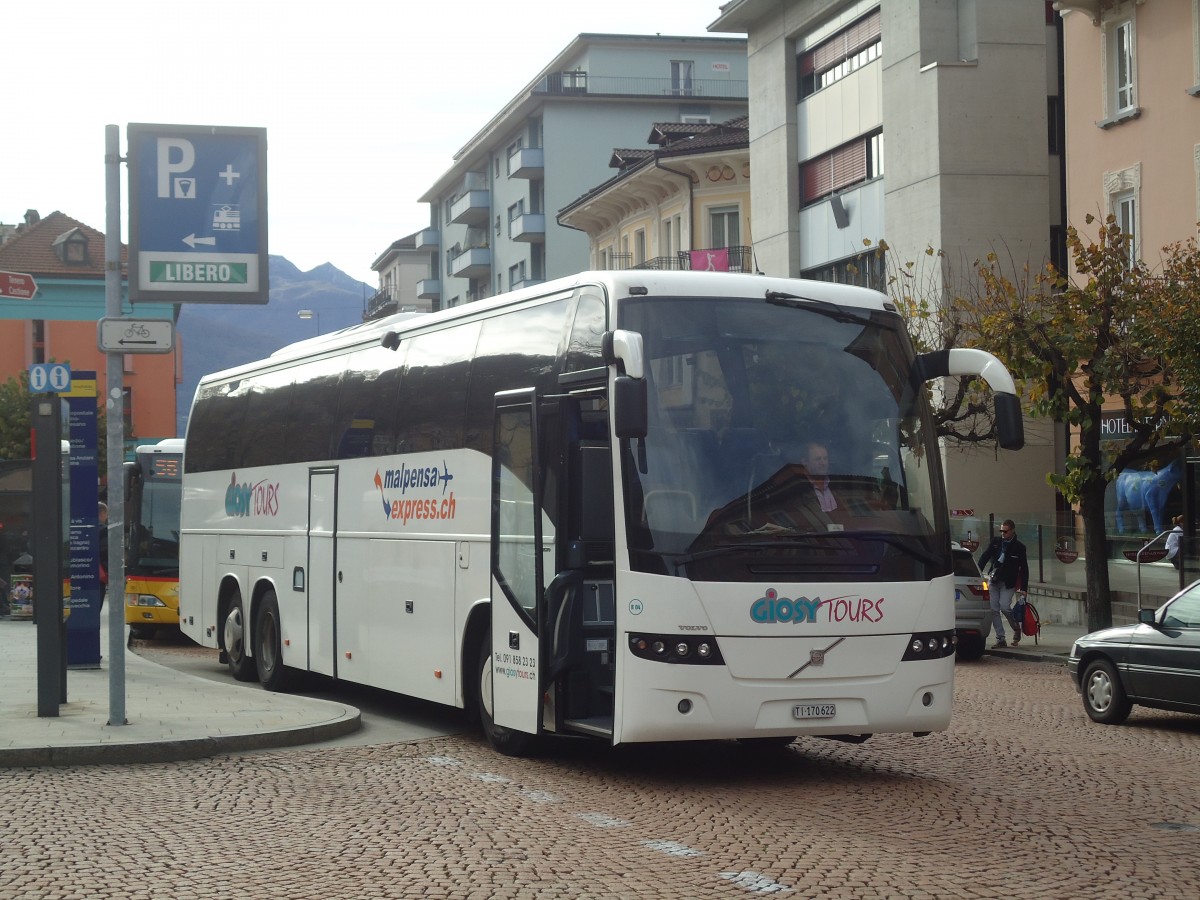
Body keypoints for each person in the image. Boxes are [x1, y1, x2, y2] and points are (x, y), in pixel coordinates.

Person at [977, 519, 1030, 648]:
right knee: (994, 609)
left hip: (1008, 582)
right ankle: (1000, 638)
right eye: (1001, 530)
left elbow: (1024, 568)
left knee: (1005, 606)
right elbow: (985, 556)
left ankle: (1016, 627)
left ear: (1012, 531)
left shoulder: (1019, 547)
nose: (1003, 533)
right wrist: (977, 572)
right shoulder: (996, 542)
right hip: (994, 579)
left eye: (1005, 531)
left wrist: (1024, 588)